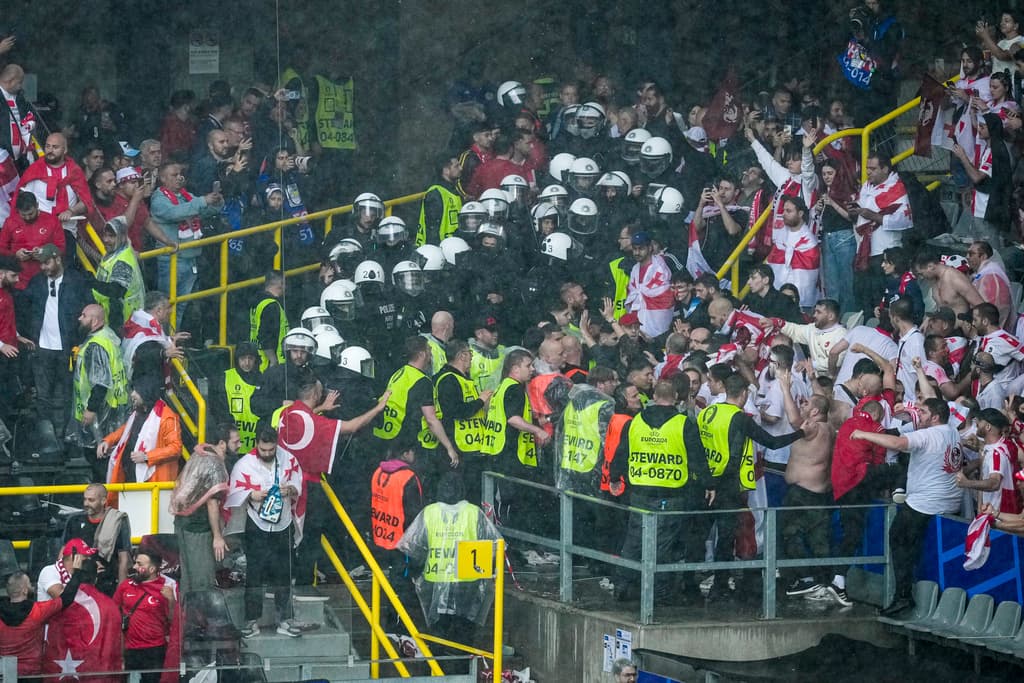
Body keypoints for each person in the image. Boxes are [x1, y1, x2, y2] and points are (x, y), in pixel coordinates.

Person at [697, 374, 805, 598]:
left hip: (704, 483)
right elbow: (772, 443)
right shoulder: (740, 418)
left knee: (703, 534)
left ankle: (692, 582)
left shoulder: (708, 411)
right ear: (745, 393)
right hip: (727, 486)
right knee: (726, 538)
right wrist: (801, 433)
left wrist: (708, 481)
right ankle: (720, 585)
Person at [851, 398, 962, 616]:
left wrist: (864, 434)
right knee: (913, 543)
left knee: (897, 538)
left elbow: (899, 444)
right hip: (949, 500)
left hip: (926, 502)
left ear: (935, 417)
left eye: (922, 412)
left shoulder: (928, 435)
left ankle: (903, 596)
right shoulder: (952, 432)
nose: (917, 415)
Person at [610, 379, 711, 603]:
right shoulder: (684, 423)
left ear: (654, 397)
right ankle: (662, 593)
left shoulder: (635, 421)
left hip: (640, 492)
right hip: (672, 494)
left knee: (634, 541)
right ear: (676, 397)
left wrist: (616, 477)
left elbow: (621, 453)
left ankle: (623, 585)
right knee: (666, 545)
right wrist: (708, 484)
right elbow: (697, 460)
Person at [396, 471, 502, 642]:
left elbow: (412, 547)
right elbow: (494, 546)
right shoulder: (474, 512)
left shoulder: (429, 512)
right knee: (464, 630)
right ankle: (462, 664)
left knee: (439, 630)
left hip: (435, 577)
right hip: (467, 580)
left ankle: (439, 664)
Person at [226, 424, 304, 638]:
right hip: (257, 523)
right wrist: (252, 495)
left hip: (283, 522)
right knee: (255, 573)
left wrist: (289, 489)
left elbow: (299, 482)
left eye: (271, 450)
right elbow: (233, 493)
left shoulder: (288, 459)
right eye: (263, 450)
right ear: (256, 445)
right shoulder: (244, 464)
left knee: (284, 572)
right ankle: (251, 621)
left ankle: (285, 619)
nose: (268, 454)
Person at [774, 369, 837, 601]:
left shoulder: (817, 428)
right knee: (817, 539)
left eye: (807, 403)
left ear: (815, 411)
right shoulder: (828, 426)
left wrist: (785, 388)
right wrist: (812, 380)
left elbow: (794, 421)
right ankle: (822, 582)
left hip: (805, 495)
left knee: (789, 534)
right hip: (811, 494)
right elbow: (824, 403)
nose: (802, 404)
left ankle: (806, 580)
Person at [26, 245, 95, 433]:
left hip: (68, 348)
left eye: (47, 262)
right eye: (41, 264)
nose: (43, 267)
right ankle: (46, 440)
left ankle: (65, 436)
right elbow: (26, 310)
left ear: (57, 259)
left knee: (67, 394)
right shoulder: (37, 282)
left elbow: (89, 312)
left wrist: (81, 342)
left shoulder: (76, 282)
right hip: (42, 348)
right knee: (43, 396)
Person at [149, 161, 223, 324]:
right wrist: (204, 200)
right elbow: (175, 213)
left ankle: (174, 340)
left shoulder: (185, 196)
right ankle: (164, 342)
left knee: (181, 307)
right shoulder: (158, 199)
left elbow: (205, 210)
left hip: (190, 259)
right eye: (174, 175)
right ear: (162, 178)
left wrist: (216, 201)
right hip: (171, 261)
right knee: (166, 308)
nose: (179, 178)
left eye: (180, 174)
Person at [375, 336, 460, 471]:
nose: (431, 354)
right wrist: (449, 447)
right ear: (422, 354)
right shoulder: (421, 381)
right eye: (429, 350)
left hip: (387, 436)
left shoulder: (399, 372)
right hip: (406, 443)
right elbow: (431, 419)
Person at [98, 374, 182, 507]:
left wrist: (147, 456)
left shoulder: (168, 417)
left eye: (136, 391)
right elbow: (126, 430)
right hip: (131, 478)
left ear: (146, 392)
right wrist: (108, 441)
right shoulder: (138, 413)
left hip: (154, 483)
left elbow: (176, 448)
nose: (132, 395)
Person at [169, 427, 233, 595]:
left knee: (187, 579)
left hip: (181, 522)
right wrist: (218, 537)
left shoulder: (199, 454)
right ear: (222, 443)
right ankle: (201, 618)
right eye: (236, 441)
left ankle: (187, 617)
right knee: (202, 580)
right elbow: (212, 503)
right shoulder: (215, 466)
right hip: (198, 528)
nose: (239, 445)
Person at [14, 132, 93, 266]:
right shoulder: (35, 170)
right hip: (39, 234)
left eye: (55, 147)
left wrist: (71, 211)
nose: (50, 150)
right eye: (48, 146)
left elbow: (86, 202)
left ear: (65, 150)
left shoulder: (75, 171)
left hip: (66, 233)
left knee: (66, 272)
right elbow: (21, 203)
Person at [0, 558, 85, 678]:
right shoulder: (38, 611)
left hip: (4, 673)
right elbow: (66, 598)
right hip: (32, 674)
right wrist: (77, 573)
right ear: (24, 591)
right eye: (30, 584)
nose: (32, 587)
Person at [850, 154, 912, 315]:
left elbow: (904, 219)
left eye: (873, 169)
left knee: (881, 296)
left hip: (885, 252)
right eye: (867, 169)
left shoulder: (896, 188)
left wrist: (873, 216)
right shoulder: (867, 187)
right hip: (864, 250)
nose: (868, 172)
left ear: (885, 169)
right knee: (863, 293)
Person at [434, 339, 491, 502]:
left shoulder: (462, 378)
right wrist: (480, 400)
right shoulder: (448, 379)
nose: (472, 358)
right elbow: (456, 411)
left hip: (469, 447)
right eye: (470, 354)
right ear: (462, 356)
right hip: (458, 449)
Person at [113, 549, 177, 682]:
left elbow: (174, 621)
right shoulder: (125, 586)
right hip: (129, 649)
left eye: (139, 564)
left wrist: (171, 601)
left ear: (152, 568)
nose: (135, 567)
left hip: (155, 650)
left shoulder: (168, 587)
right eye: (135, 563)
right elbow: (113, 613)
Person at [61, 484, 131, 596]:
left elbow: (123, 559)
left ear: (103, 500)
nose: (86, 504)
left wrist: (120, 591)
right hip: (77, 580)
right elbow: (63, 553)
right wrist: (62, 581)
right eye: (85, 499)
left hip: (107, 581)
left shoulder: (117, 521)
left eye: (91, 500)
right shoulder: (74, 520)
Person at [0, 191, 64, 290]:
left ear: (37, 205)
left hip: (46, 276)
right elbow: (1, 248)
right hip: (18, 279)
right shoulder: (10, 222)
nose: (27, 217)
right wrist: (15, 254)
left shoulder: (52, 220)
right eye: (23, 215)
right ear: (18, 211)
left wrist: (44, 252)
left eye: (30, 213)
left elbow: (61, 247)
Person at [210, 342, 262, 453]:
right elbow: (216, 407)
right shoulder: (225, 378)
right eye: (243, 358)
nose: (247, 363)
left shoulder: (263, 379)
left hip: (256, 442)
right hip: (232, 443)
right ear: (237, 360)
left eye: (250, 358)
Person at [93, 216, 145, 326]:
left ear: (121, 237)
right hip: (113, 314)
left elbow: (116, 291)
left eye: (111, 236)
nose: (105, 240)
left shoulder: (123, 261)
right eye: (105, 235)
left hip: (123, 319)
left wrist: (91, 283)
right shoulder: (113, 253)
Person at [624, 231, 674, 339]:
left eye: (641, 248)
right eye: (634, 249)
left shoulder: (660, 268)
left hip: (658, 326)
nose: (637, 252)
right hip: (638, 325)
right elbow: (633, 294)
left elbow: (665, 296)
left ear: (650, 248)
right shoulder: (634, 269)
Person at [417, 154, 464, 246]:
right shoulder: (436, 193)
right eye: (456, 166)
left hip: (451, 245)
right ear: (446, 171)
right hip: (439, 248)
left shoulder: (452, 190)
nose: (461, 168)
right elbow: (432, 228)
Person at [249, 270, 288, 371]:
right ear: (280, 284)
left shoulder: (256, 301)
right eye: (284, 283)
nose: (285, 288)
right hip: (269, 364)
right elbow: (265, 336)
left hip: (257, 358)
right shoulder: (272, 306)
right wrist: (273, 361)